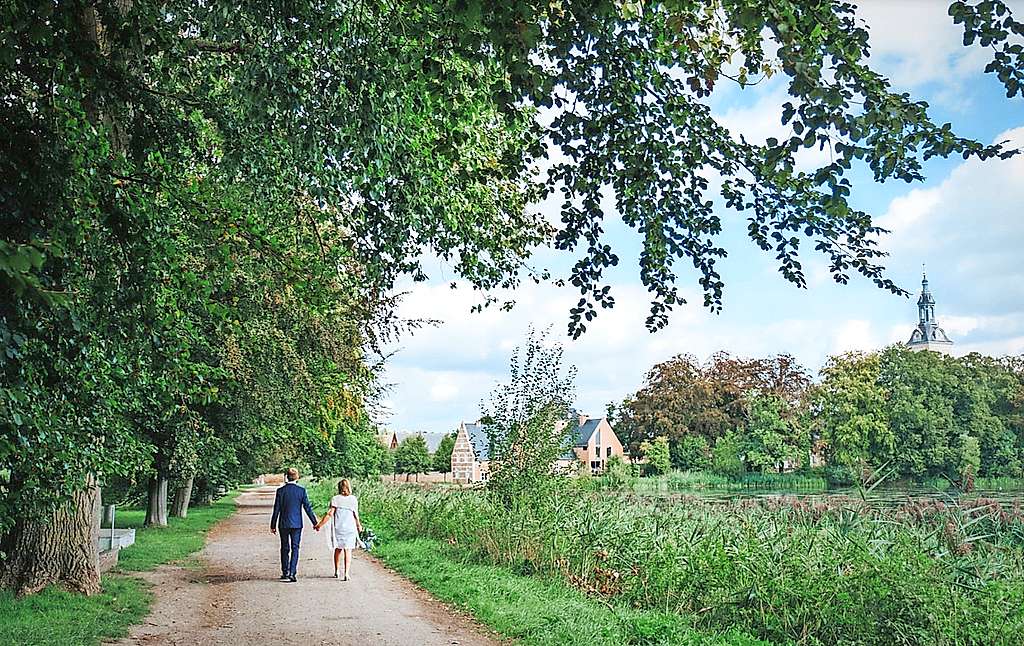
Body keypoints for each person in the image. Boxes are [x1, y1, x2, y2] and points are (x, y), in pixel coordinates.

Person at [270, 467, 318, 583]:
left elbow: (276, 509)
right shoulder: (301, 491)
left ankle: (285, 572)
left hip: (284, 523)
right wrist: (315, 522)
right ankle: (292, 572)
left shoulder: (280, 491)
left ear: (287, 476)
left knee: (285, 547)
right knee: (295, 547)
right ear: (297, 477)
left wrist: (273, 524)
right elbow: (307, 508)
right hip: (297, 524)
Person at [314, 478, 362, 581]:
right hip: (350, 528)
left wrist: (320, 524)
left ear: (339, 487)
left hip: (338, 528)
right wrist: (359, 525)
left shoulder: (335, 499)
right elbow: (355, 514)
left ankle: (336, 570)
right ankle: (346, 573)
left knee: (338, 549)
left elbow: (330, 514)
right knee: (348, 550)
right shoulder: (353, 499)